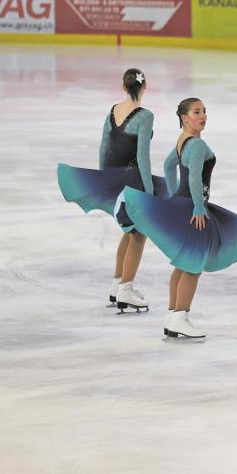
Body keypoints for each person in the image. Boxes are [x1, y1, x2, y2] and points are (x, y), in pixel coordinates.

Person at [120, 98, 237, 338]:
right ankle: (180, 316)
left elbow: (168, 165)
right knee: (193, 267)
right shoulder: (196, 145)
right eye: (197, 112)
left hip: (184, 204)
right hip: (194, 210)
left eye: (205, 111)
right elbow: (195, 177)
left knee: (183, 264)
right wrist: (197, 207)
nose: (203, 116)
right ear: (184, 118)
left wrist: (177, 195)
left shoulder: (183, 141)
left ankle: (173, 315)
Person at [57, 68, 167, 312]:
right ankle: (126, 291)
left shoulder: (113, 111)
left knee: (129, 233)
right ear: (145, 86)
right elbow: (142, 156)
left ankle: (117, 286)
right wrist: (148, 191)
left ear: (123, 86)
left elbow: (103, 147)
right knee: (138, 234)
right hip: (134, 181)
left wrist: (104, 180)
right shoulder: (145, 115)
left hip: (115, 179)